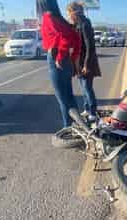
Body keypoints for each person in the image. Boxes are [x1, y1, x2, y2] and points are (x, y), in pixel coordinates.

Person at [37, 0, 81, 133]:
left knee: (62, 98)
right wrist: (71, 58)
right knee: (69, 96)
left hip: (55, 57)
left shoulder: (48, 17)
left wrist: (61, 56)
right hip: (64, 58)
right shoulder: (58, 18)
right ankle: (77, 126)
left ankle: (69, 128)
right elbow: (76, 38)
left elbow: (67, 38)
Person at [67, 2, 101, 121]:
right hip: (79, 62)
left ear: (74, 12)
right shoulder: (77, 25)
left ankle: (92, 112)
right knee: (83, 87)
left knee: (87, 88)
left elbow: (90, 47)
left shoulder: (85, 24)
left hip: (86, 62)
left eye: (69, 13)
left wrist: (86, 65)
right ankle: (87, 109)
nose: (69, 16)